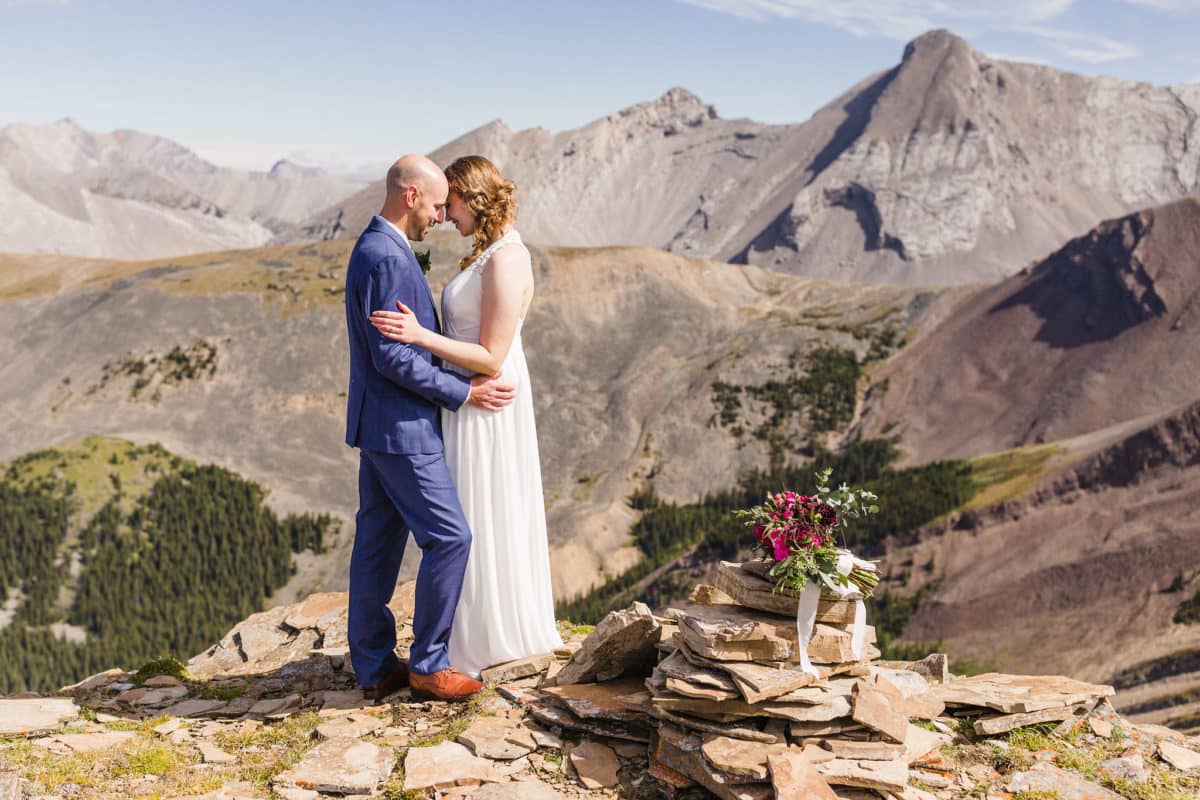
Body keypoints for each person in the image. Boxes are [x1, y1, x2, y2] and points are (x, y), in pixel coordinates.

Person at [370, 155, 564, 678]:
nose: (444, 216)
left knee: (481, 510)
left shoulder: (507, 258)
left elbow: (492, 356)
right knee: (468, 512)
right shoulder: (488, 254)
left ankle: (486, 636)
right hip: (465, 398)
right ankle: (460, 633)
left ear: (474, 199)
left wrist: (420, 337)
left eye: (450, 203)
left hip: (485, 398)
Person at [343, 154, 515, 702]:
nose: (440, 217)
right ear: (411, 196)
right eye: (437, 205)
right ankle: (429, 664)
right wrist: (464, 393)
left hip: (380, 425)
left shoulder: (376, 247)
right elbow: (394, 358)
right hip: (403, 429)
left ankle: (374, 666)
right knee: (450, 537)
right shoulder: (385, 256)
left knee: (377, 545)